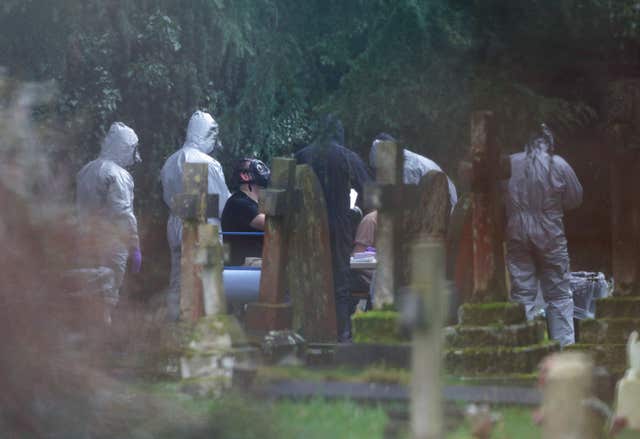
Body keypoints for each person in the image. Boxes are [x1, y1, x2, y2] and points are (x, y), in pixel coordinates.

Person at [503, 123, 582, 347]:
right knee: (558, 294)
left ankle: (524, 348)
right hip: (550, 231)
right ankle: (564, 350)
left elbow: (500, 195)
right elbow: (575, 198)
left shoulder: (509, 163)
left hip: (517, 229)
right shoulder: (559, 164)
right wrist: (553, 208)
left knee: (523, 292)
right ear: (549, 143)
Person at [295, 115, 372, 342]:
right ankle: (341, 332)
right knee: (340, 280)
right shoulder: (347, 157)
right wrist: (356, 210)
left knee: (306, 278)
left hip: (306, 228)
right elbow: (370, 191)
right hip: (339, 226)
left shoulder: (302, 155)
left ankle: (306, 330)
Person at [160, 110, 230, 320]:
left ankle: (173, 331)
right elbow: (223, 204)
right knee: (208, 281)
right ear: (206, 135)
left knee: (178, 280)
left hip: (175, 223)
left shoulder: (170, 162)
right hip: (204, 227)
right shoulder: (209, 163)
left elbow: (166, 196)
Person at [76, 122, 142, 305]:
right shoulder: (118, 174)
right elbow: (124, 214)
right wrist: (134, 246)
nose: (135, 156)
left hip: (84, 240)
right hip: (111, 243)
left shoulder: (86, 170)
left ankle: (87, 331)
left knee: (86, 293)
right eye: (132, 149)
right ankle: (105, 329)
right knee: (108, 294)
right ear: (125, 147)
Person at [369, 133, 458, 209]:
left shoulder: (408, 168)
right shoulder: (409, 160)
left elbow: (404, 204)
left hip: (445, 213)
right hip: (443, 208)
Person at [221, 158, 271, 266]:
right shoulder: (238, 203)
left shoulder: (255, 203)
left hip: (253, 264)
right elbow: (270, 224)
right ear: (245, 176)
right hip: (243, 266)